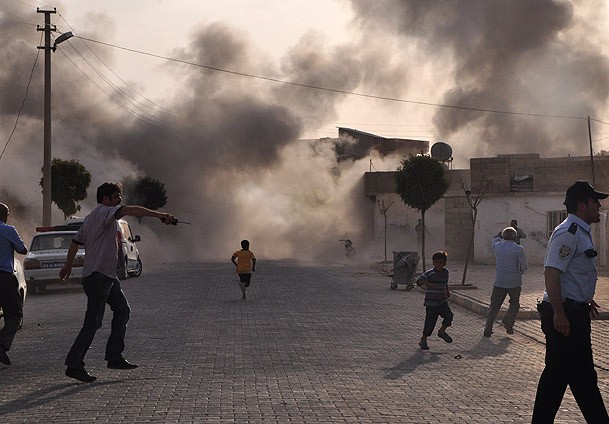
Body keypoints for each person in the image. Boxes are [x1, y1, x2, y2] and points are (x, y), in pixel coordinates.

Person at [60, 182, 176, 382]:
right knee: (92, 323)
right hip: (99, 276)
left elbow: (75, 242)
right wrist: (160, 215)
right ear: (105, 199)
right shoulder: (105, 212)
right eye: (116, 197)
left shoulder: (89, 219)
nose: (119, 201)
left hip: (104, 276)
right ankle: (74, 364)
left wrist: (68, 266)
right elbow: (131, 210)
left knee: (122, 311)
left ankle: (114, 356)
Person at [532, 181, 609, 423]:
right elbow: (552, 272)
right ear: (581, 205)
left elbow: (573, 274)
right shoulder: (569, 233)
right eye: (595, 201)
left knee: (555, 378)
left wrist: (586, 299)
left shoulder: (581, 231)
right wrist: (559, 313)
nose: (599, 205)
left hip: (572, 310)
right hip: (566, 316)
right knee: (584, 378)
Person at [484, 226, 528, 337]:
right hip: (514, 282)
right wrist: (520, 271)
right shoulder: (518, 249)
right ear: (515, 236)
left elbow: (494, 239)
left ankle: (488, 328)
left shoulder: (498, 246)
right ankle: (509, 322)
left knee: (494, 305)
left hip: (500, 280)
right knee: (514, 304)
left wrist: (499, 235)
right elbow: (524, 266)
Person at [0, 203, 28, 366]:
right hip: (4, 278)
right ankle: (2, 344)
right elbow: (22, 250)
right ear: (5, 215)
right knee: (15, 315)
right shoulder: (8, 230)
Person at [415, 251, 453, 350]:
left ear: (445, 263)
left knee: (449, 316)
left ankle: (441, 331)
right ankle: (423, 340)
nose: (438, 264)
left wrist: (447, 292)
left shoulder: (446, 272)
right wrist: (429, 284)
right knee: (430, 323)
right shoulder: (430, 273)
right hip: (431, 303)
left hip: (442, 301)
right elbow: (419, 281)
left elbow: (445, 283)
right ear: (433, 263)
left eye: (441, 262)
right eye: (436, 262)